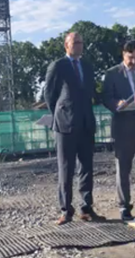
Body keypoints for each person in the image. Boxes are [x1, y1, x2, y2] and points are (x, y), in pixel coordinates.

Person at [44, 32, 106, 225]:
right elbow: (49, 94)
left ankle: (86, 208)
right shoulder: (58, 66)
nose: (79, 45)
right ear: (66, 45)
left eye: (81, 42)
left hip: (86, 123)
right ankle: (66, 210)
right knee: (66, 168)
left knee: (86, 167)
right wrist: (61, 112)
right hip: (65, 125)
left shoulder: (87, 66)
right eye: (75, 42)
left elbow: (90, 93)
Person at [102, 40, 135, 221]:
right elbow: (106, 97)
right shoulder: (112, 74)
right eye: (131, 58)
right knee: (123, 168)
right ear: (123, 54)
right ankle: (124, 207)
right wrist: (117, 103)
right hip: (124, 126)